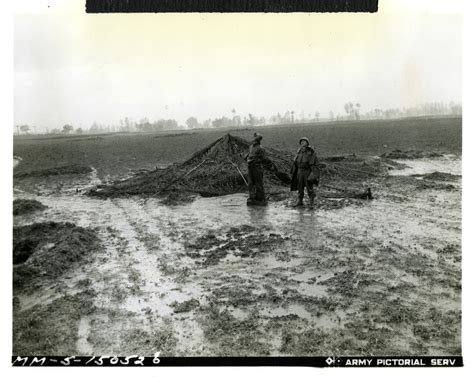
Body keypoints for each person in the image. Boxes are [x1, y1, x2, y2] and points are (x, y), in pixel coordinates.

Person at [290, 136, 320, 207]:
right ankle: (300, 201)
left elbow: (315, 163)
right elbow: (296, 161)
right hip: (299, 171)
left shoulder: (311, 151)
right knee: (300, 187)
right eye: (301, 142)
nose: (302, 143)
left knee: (309, 187)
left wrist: (314, 174)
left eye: (304, 141)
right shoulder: (299, 151)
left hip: (307, 171)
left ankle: (311, 203)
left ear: (307, 143)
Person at [244, 133, 272, 206]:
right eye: (253, 139)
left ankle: (260, 198)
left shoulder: (261, 148)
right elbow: (248, 155)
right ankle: (252, 197)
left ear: (257, 141)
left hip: (257, 167)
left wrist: (254, 160)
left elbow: (264, 159)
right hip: (250, 167)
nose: (253, 140)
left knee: (258, 183)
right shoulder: (251, 147)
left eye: (255, 139)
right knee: (250, 183)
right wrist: (246, 158)